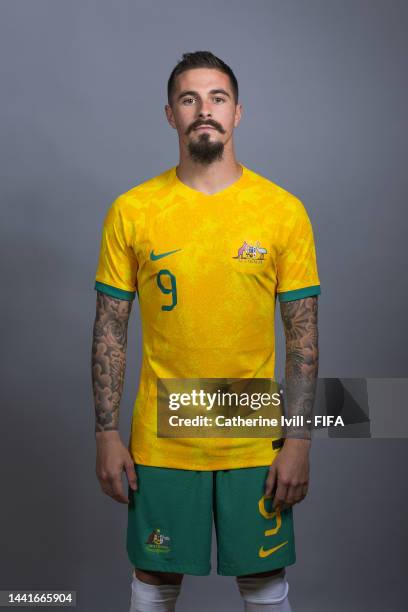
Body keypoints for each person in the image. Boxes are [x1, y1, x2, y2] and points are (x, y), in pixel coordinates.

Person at [91, 51, 320, 612]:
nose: (204, 110)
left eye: (217, 98)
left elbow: (302, 339)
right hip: (162, 435)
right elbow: (110, 330)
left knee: (264, 584)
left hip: (251, 430)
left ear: (238, 112)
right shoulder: (133, 209)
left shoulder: (282, 210)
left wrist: (299, 441)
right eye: (189, 99)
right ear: (170, 114)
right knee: (154, 583)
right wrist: (105, 433)